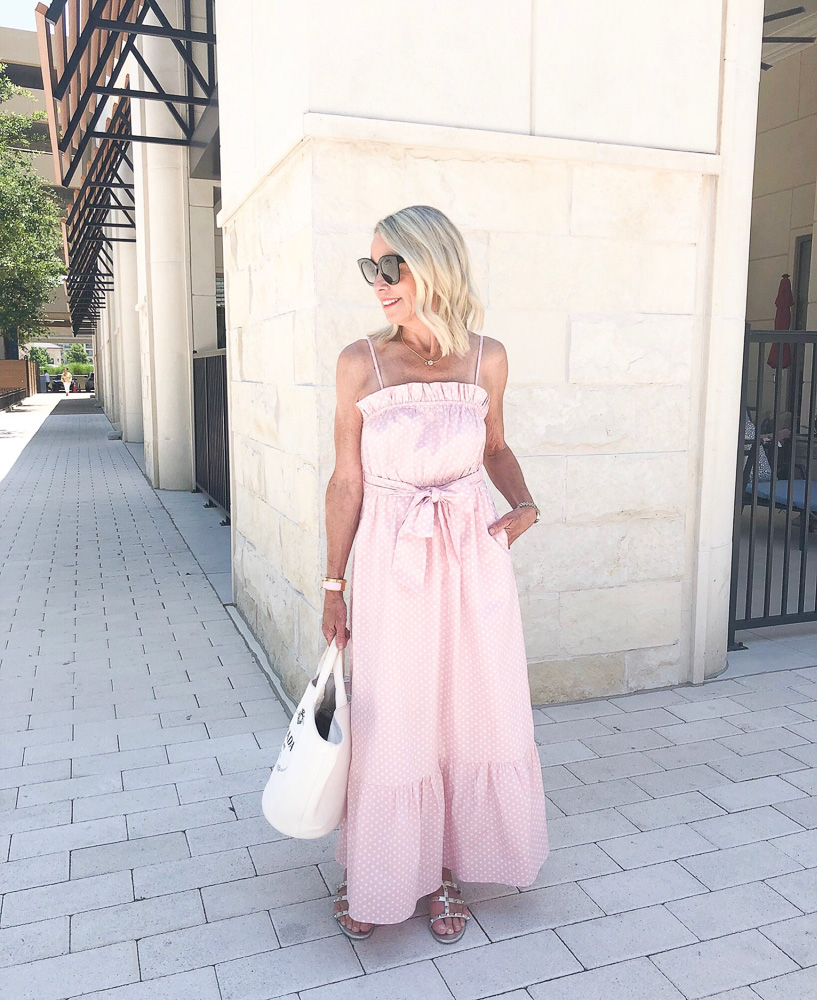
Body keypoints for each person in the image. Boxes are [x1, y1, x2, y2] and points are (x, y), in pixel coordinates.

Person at [322, 205, 549, 944]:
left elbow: (496, 447)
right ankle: (383, 872)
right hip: (393, 564)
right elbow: (346, 482)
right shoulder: (360, 361)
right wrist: (333, 586)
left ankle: (448, 868)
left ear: (435, 265)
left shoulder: (488, 357)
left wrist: (524, 505)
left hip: (471, 557)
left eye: (394, 265)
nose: (380, 281)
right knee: (396, 714)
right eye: (372, 267)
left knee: (469, 708)